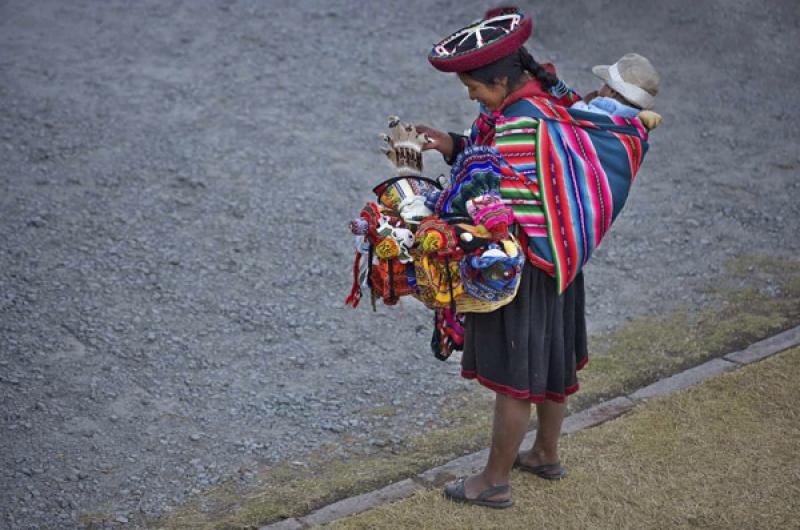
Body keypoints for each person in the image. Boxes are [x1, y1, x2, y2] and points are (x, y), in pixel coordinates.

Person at [418, 7, 589, 508]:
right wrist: (452, 144)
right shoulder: (542, 103)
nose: (470, 94)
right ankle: (545, 454)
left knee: (515, 379)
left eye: (473, 86)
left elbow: (491, 198)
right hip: (559, 257)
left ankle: (493, 481)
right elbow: (490, 163)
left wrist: (436, 220)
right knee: (552, 361)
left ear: (499, 78)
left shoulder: (518, 126)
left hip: (522, 266)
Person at [571, 53, 660, 118]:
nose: (600, 87)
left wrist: (586, 101)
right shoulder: (636, 125)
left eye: (605, 83)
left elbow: (571, 112)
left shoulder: (587, 112)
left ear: (612, 92)